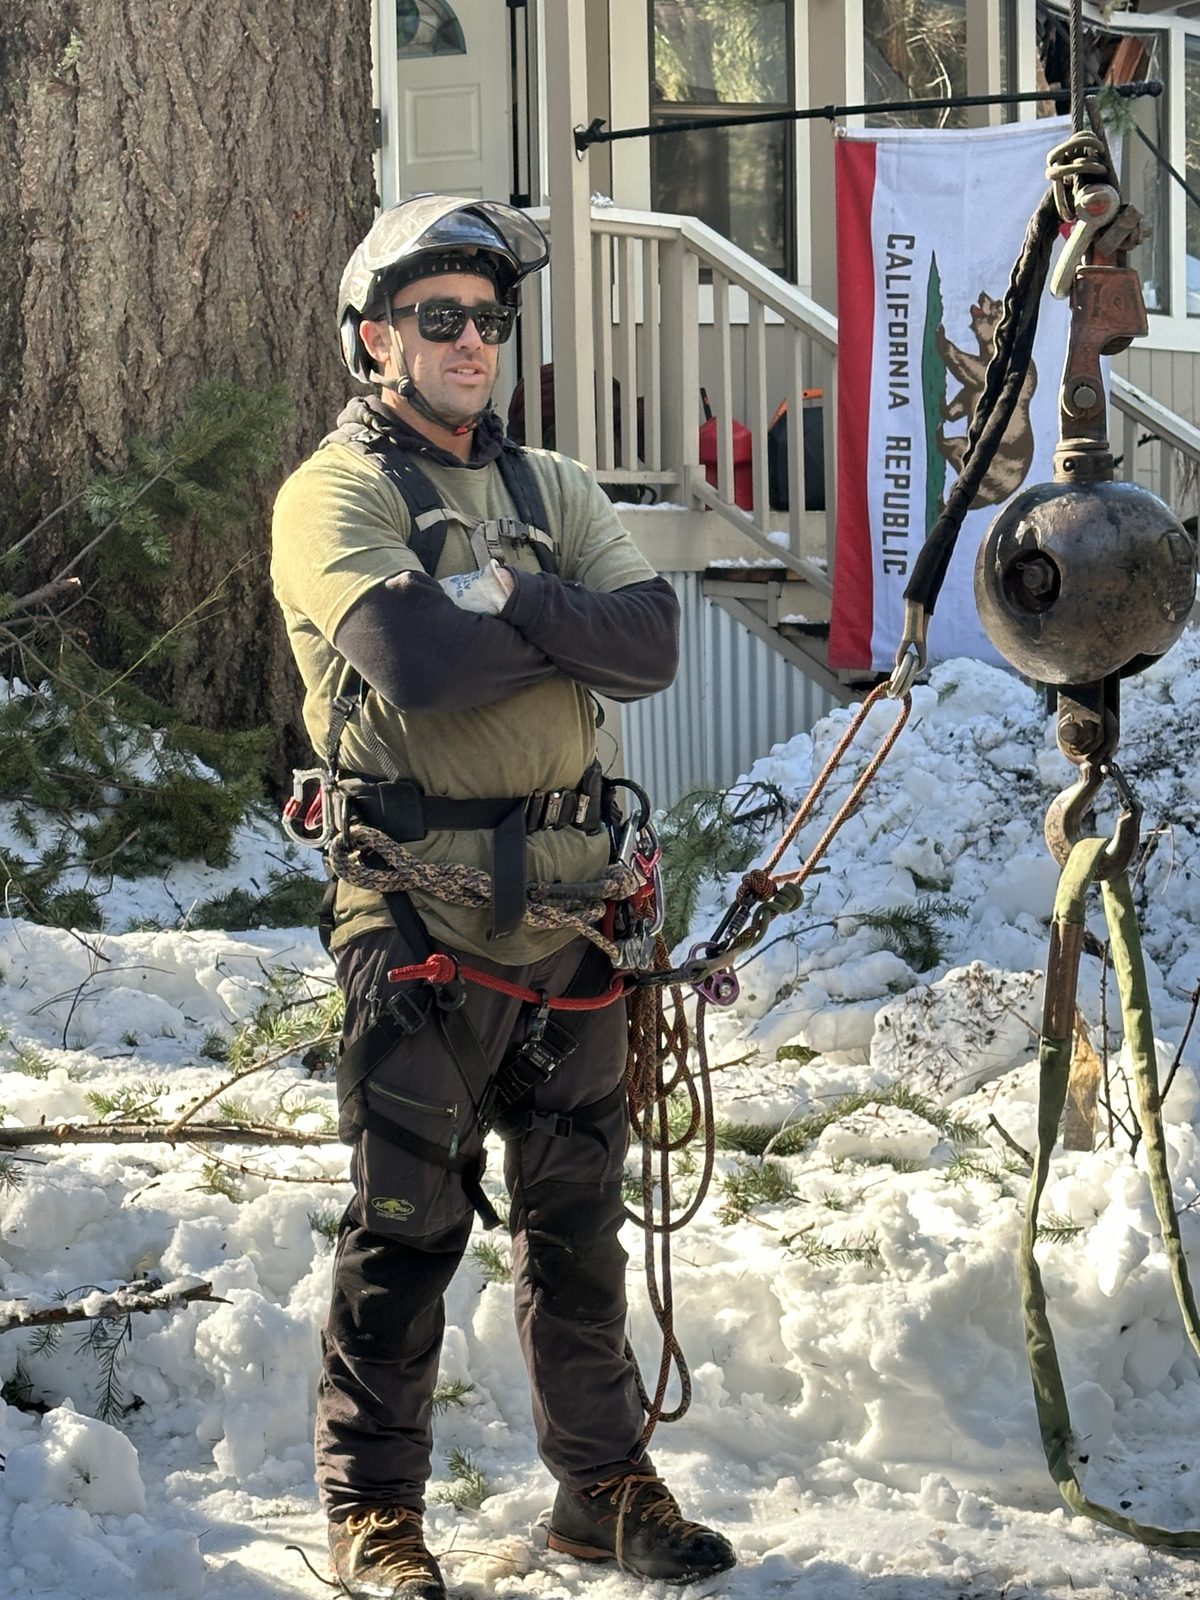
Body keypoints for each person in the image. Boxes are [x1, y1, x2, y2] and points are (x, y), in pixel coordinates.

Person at [270, 195, 736, 1600]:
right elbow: (417, 663)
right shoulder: (335, 494)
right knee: (406, 1230)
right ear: (377, 339)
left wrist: (506, 599)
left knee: (577, 1220)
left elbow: (652, 641)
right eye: (439, 318)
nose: (473, 339)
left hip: (578, 918)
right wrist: (547, 621)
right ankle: (374, 1513)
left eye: (488, 317)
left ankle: (600, 1489)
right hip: (417, 919)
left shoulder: (554, 490)